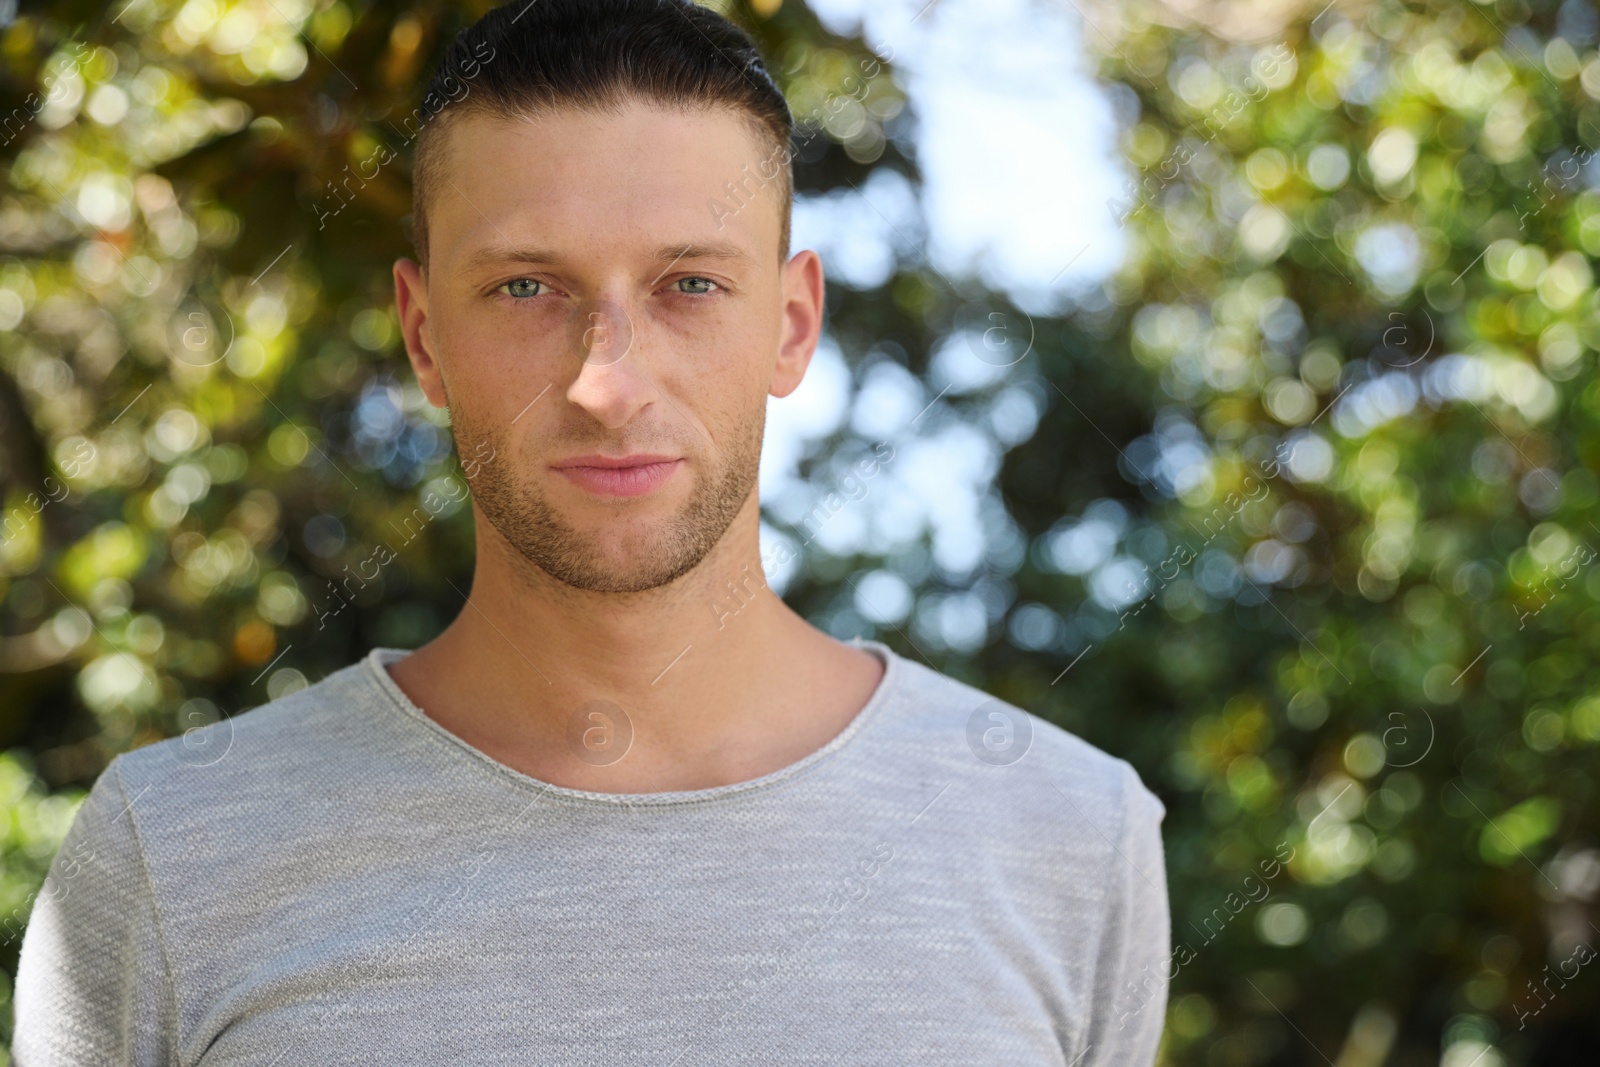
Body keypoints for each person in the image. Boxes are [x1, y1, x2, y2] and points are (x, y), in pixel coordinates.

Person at [11, 1, 1170, 1062]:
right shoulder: (172, 857)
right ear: (422, 335)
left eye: (689, 285)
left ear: (791, 321)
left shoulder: (1069, 838)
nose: (606, 383)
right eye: (526, 287)